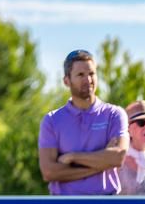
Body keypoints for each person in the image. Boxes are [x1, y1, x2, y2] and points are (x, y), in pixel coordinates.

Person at [38, 49, 127, 195]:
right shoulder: (52, 120)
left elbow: (118, 157)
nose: (88, 80)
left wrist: (73, 157)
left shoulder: (114, 114)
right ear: (67, 81)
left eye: (92, 74)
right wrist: (103, 161)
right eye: (80, 75)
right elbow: (49, 172)